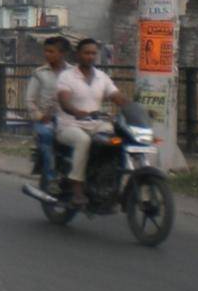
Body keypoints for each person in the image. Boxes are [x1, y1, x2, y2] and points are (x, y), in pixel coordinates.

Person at [55, 38, 130, 208]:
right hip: (70, 125)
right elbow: (64, 102)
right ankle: (77, 189)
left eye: (93, 53)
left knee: (117, 138)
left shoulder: (101, 77)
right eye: (86, 53)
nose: (90, 56)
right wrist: (76, 112)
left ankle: (111, 181)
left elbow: (117, 97)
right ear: (78, 55)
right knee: (84, 141)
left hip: (95, 123)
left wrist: (136, 108)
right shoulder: (67, 76)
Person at [24, 36, 71, 184]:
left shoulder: (74, 73)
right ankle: (51, 178)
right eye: (46, 51)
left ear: (62, 53)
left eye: (51, 51)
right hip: (46, 120)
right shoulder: (40, 73)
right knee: (46, 136)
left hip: (68, 119)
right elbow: (29, 100)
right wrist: (39, 116)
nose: (47, 54)